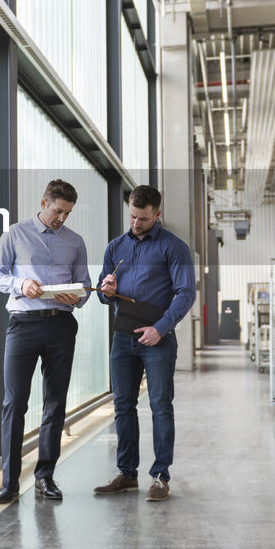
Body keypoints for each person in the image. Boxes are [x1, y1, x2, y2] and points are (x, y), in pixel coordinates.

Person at [0, 179, 90, 503]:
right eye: (58, 211)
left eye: (67, 213)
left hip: (61, 326)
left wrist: (77, 297)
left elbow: (85, 286)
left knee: (55, 404)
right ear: (43, 202)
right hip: (23, 325)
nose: (62, 218)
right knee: (14, 404)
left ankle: (45, 477)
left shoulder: (75, 242)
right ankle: (9, 482)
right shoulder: (15, 234)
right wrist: (20, 283)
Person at [93, 185, 196, 502]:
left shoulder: (174, 248)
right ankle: (126, 473)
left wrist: (161, 328)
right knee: (123, 406)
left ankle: (161, 477)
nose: (136, 224)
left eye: (143, 218)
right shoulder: (115, 247)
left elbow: (186, 293)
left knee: (160, 407)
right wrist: (105, 291)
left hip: (157, 338)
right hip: (122, 337)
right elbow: (101, 294)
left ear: (157, 214)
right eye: (133, 217)